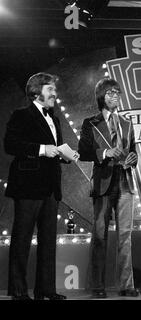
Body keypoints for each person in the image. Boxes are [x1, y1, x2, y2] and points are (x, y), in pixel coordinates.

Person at [4, 72, 69, 300]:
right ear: (36, 91)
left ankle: (46, 289)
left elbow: (54, 149)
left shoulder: (55, 118)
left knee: (48, 241)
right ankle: (19, 291)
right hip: (28, 187)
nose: (54, 93)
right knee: (22, 239)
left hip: (51, 188)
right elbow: (10, 145)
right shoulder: (21, 115)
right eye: (50, 89)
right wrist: (42, 149)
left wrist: (65, 155)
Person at [78, 78, 139, 299]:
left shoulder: (127, 123)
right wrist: (104, 153)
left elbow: (134, 152)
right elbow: (83, 151)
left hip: (125, 181)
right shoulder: (90, 122)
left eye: (118, 92)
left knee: (125, 236)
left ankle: (126, 285)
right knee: (100, 236)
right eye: (111, 93)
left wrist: (133, 159)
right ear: (101, 96)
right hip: (103, 183)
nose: (115, 96)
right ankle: (98, 286)